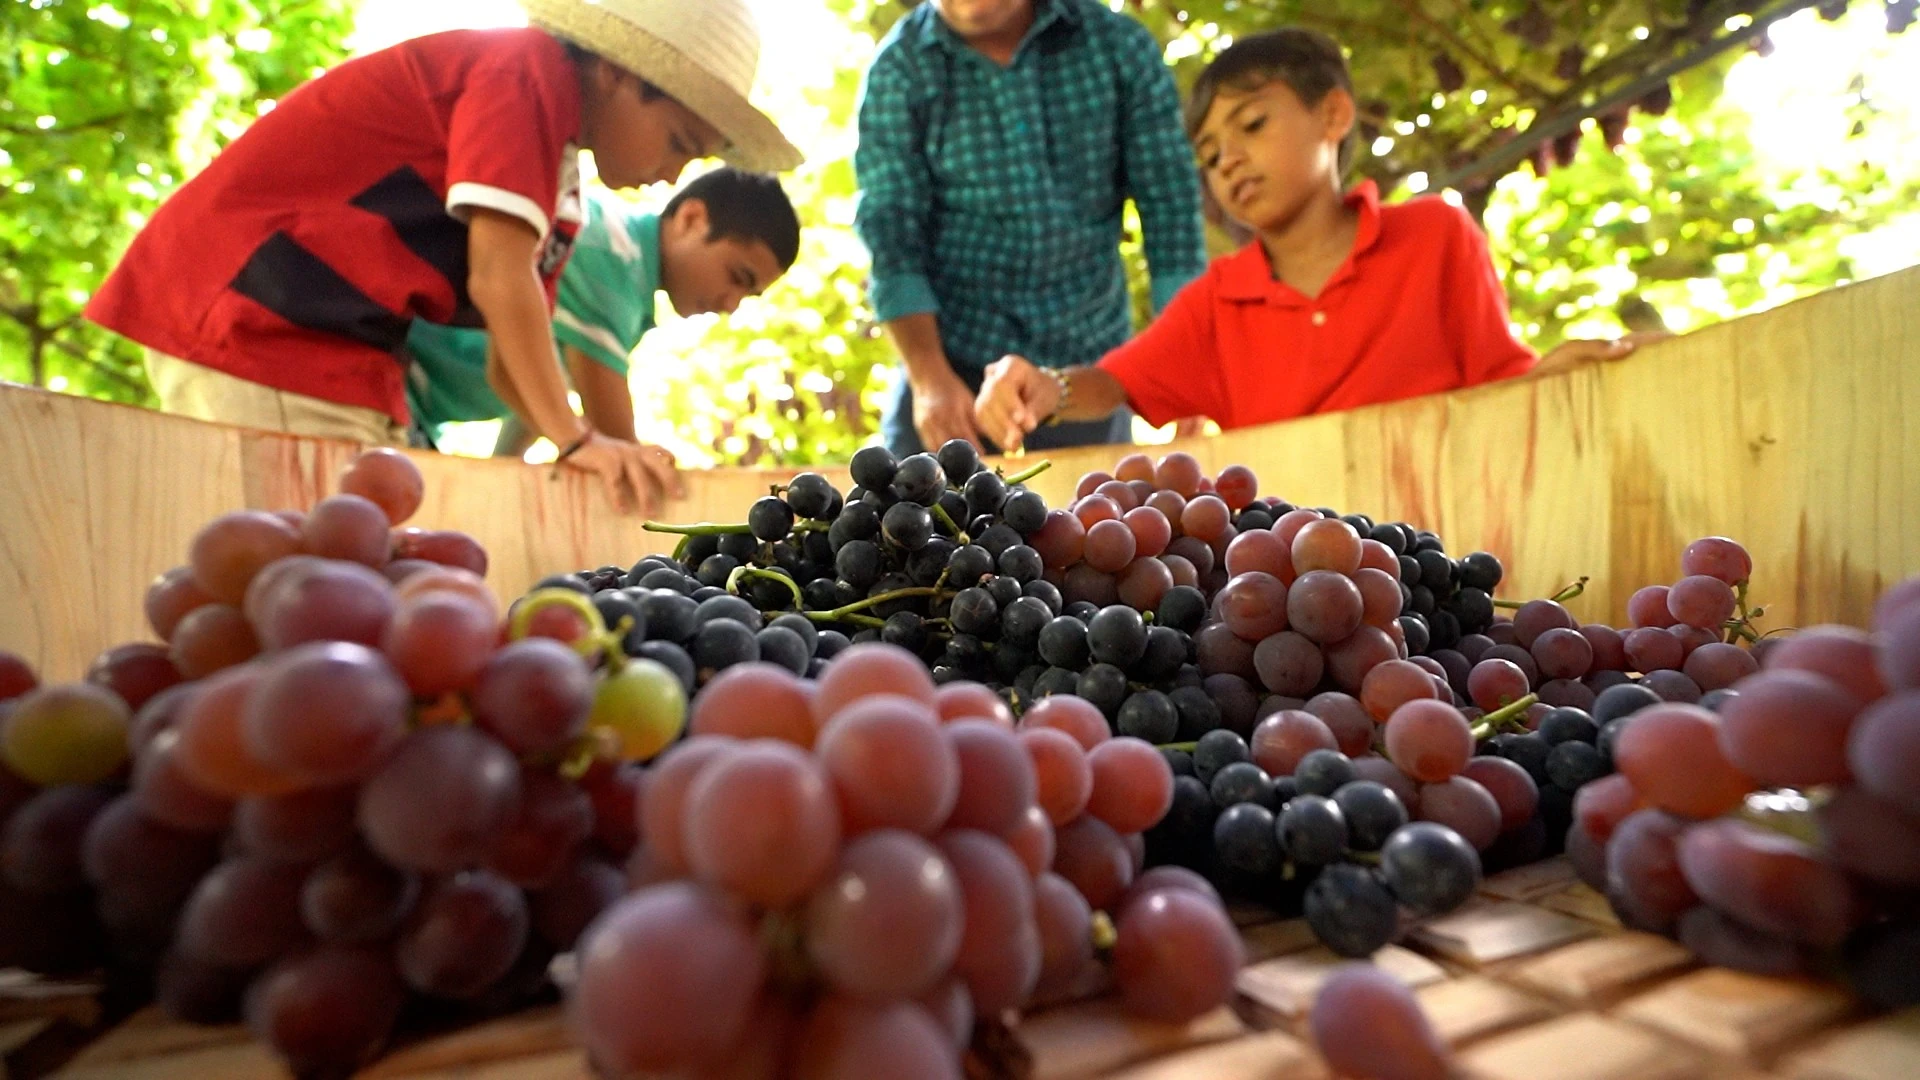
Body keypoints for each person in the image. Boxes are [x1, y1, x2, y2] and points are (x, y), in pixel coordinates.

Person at [84, 0, 801, 512]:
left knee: (371, 554)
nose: (672, 176)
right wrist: (578, 439)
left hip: (346, 349)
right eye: (678, 142)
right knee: (318, 574)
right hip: (259, 316)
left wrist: (573, 443)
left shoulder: (562, 191)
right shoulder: (523, 72)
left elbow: (509, 359)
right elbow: (498, 275)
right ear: (616, 71)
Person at [973, 27, 1662, 450]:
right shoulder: (1216, 301)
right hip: (1289, 589)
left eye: (1251, 125)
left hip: (1442, 555)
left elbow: (1502, 384)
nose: (1228, 161)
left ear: (1333, 114)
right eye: (1208, 156)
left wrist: (1565, 379)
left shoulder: (1434, 234)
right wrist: (1044, 386)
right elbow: (1114, 382)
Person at [853, 0, 1208, 458]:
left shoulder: (1118, 48)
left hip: (1086, 376)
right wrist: (929, 378)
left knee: (1092, 504)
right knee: (921, 503)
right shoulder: (900, 68)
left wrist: (1184, 357)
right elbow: (891, 235)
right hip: (950, 375)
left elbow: (1170, 209)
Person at [403, 168, 800, 463]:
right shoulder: (613, 255)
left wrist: (505, 466)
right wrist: (619, 454)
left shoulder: (626, 273)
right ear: (691, 219)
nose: (732, 304)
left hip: (414, 405)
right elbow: (614, 442)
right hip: (394, 376)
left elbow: (538, 386)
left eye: (749, 295)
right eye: (738, 277)